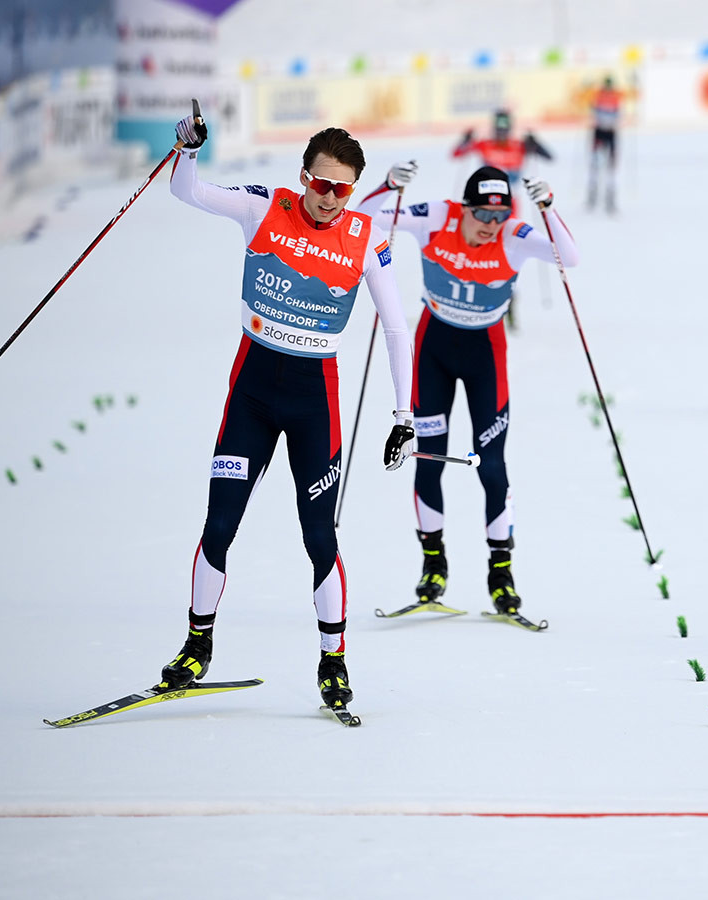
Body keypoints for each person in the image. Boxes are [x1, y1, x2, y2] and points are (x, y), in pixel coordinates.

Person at [160, 112, 415, 714]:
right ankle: (198, 644)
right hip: (252, 385)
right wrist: (188, 150)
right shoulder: (263, 207)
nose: (329, 199)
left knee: (318, 536)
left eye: (342, 189)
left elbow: (398, 326)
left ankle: (333, 660)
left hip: (312, 398)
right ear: (304, 176)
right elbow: (185, 190)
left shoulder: (365, 235)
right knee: (220, 523)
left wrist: (404, 414)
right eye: (321, 184)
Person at [355, 162, 579, 618]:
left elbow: (569, 257)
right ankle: (433, 566)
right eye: (483, 217)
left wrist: (549, 207)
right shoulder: (438, 215)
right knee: (429, 459)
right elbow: (366, 217)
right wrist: (389, 187)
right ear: (465, 208)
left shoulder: (514, 235)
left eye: (500, 218)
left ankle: (501, 574)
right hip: (434, 346)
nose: (491, 228)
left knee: (491, 467)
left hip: (485, 355)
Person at [452, 109, 554, 219]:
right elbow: (457, 154)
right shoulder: (485, 144)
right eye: (498, 130)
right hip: (485, 197)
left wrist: (536, 143)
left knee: (510, 230)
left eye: (504, 130)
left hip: (510, 198)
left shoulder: (519, 145)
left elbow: (549, 157)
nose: (501, 134)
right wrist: (465, 140)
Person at [586, 75, 624, 214]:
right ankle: (593, 195)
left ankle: (610, 197)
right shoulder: (600, 96)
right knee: (595, 164)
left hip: (609, 133)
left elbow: (619, 114)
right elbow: (593, 113)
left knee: (611, 166)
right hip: (601, 132)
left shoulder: (613, 97)